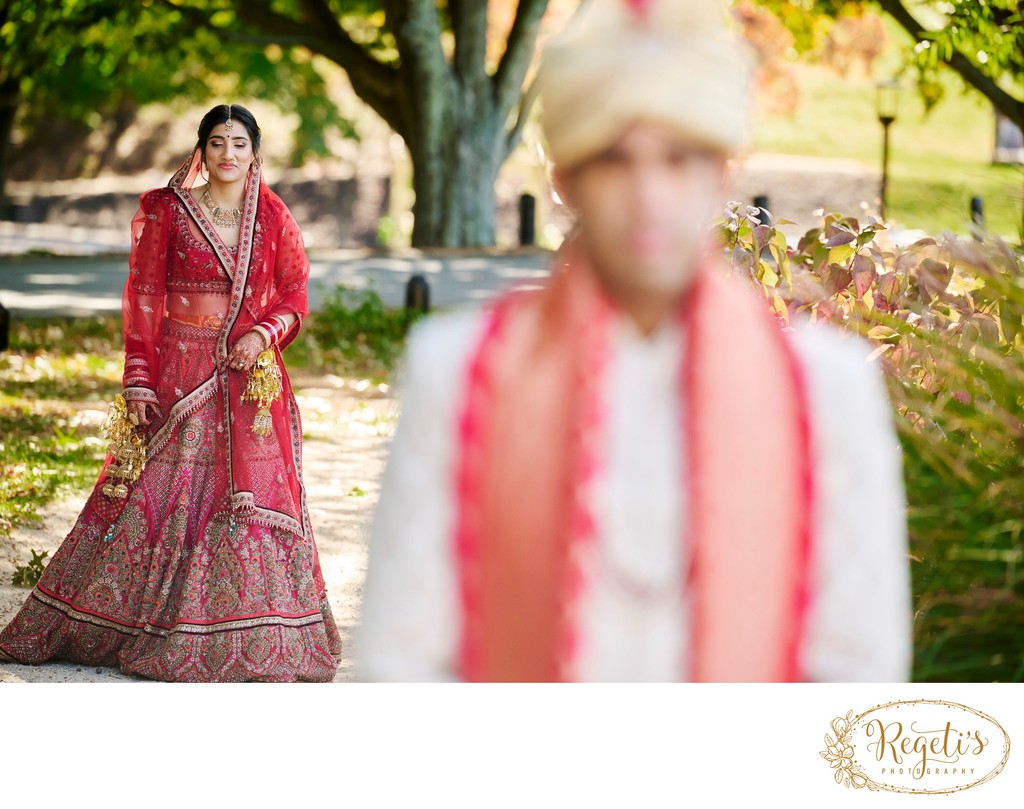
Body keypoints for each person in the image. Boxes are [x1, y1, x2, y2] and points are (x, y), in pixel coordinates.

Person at [354, 0, 913, 682]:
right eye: (616, 161)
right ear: (566, 181)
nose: (650, 195)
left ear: (723, 174)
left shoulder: (826, 386)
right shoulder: (461, 370)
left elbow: (857, 667)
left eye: (679, 160)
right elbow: (402, 656)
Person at [0, 104, 342, 682]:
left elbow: (294, 294)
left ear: (255, 151)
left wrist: (262, 334)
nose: (227, 154)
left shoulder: (273, 216)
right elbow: (145, 298)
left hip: (250, 381)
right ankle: (145, 622)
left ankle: (260, 628)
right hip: (182, 373)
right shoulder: (168, 210)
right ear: (201, 151)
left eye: (238, 143)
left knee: (248, 501)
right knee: (168, 494)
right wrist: (138, 375)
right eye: (216, 143)